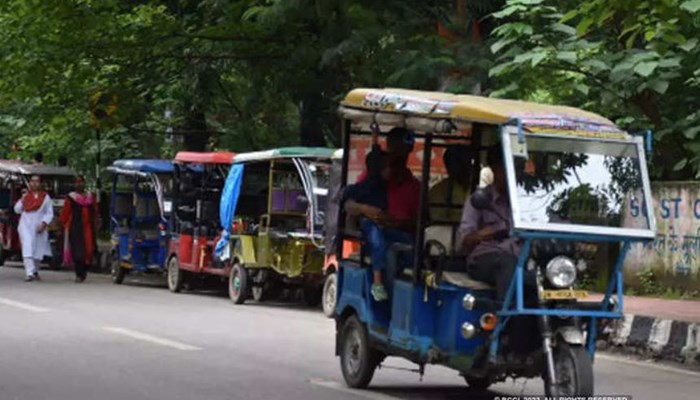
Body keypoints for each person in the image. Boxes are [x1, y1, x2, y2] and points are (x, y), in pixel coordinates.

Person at [457, 147, 537, 354]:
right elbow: (464, 242)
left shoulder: (525, 202)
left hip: (518, 260)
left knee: (544, 277)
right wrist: (488, 233)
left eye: (517, 168)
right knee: (507, 262)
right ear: (494, 169)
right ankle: (505, 328)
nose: (514, 173)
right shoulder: (480, 200)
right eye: (507, 168)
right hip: (484, 259)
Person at [345, 127, 420, 301]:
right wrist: (367, 210)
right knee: (388, 253)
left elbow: (420, 221)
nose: (399, 157)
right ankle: (387, 298)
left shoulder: (414, 186)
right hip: (378, 242)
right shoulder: (373, 178)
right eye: (395, 151)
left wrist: (395, 223)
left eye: (404, 152)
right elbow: (349, 204)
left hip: (402, 238)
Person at [60, 176, 100, 283]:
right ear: (74, 184)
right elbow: (65, 212)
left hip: (88, 227)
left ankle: (85, 270)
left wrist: (97, 222)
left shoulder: (90, 197)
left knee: (89, 250)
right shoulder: (71, 198)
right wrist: (63, 225)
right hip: (76, 227)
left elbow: (95, 211)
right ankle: (79, 274)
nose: (79, 184)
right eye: (77, 182)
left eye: (81, 182)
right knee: (78, 252)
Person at [14, 175, 53, 282]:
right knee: (28, 246)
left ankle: (35, 270)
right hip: (26, 225)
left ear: (40, 183)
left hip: (39, 226)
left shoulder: (46, 197)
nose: (35, 183)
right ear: (30, 183)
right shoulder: (26, 196)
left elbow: (49, 212)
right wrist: (22, 199)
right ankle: (29, 273)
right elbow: (17, 210)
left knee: (38, 250)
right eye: (33, 181)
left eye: (37, 181)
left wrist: (44, 223)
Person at [429, 145, 473, 223]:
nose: (466, 168)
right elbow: (438, 220)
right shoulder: (439, 191)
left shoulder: (480, 188)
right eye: (460, 164)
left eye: (468, 163)